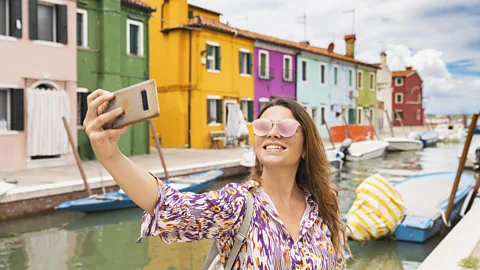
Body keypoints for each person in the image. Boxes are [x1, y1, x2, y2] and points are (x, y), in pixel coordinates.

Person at [83, 91, 348, 269]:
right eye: (264, 127)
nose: (273, 134)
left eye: (287, 128)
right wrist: (110, 155)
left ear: (305, 147)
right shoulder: (237, 205)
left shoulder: (322, 209)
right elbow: (169, 206)